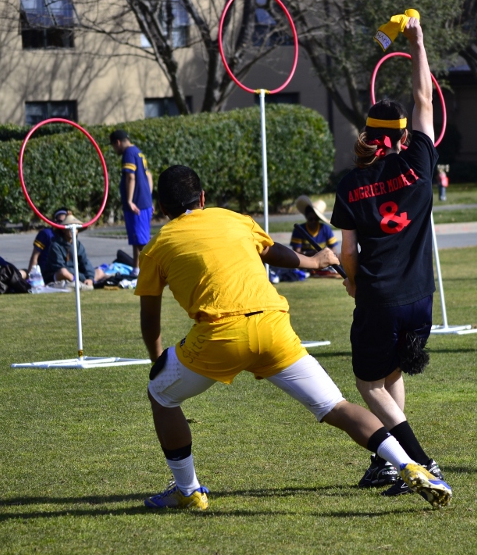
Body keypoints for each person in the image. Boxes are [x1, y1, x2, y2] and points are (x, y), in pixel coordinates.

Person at [134, 165, 451, 510]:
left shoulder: (157, 246)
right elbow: (274, 252)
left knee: (161, 395)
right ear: (203, 198)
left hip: (218, 335)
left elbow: (149, 321)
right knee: (337, 407)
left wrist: (157, 361)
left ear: (161, 207)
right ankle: (407, 464)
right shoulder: (235, 219)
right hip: (273, 326)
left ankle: (188, 490)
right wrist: (314, 262)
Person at [330, 16, 447, 496]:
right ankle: (388, 462)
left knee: (367, 384)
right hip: (421, 299)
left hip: (379, 296)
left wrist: (353, 283)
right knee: (392, 373)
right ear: (401, 136)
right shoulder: (418, 162)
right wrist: (419, 43)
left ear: (368, 133)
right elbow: (424, 99)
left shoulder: (352, 183)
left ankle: (419, 461)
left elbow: (348, 252)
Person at [110, 129, 153, 276]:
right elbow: (149, 176)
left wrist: (129, 200)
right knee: (139, 238)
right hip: (145, 202)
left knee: (140, 240)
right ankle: (137, 269)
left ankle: (150, 270)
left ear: (117, 142)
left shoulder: (128, 153)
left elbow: (130, 177)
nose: (115, 150)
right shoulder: (139, 152)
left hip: (136, 204)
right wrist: (149, 197)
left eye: (113, 147)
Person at [44, 213, 106, 288]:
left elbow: (85, 263)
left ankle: (88, 282)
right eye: (69, 228)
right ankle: (78, 283)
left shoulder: (78, 245)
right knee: (63, 272)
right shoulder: (55, 245)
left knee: (99, 271)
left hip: (78, 274)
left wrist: (90, 278)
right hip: (58, 275)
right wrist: (80, 277)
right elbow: (59, 267)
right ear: (64, 230)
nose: (72, 230)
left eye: (75, 228)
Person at [290, 195, 340, 277]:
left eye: (316, 219)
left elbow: (334, 249)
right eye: (311, 219)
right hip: (305, 262)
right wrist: (311, 254)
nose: (313, 221)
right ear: (306, 217)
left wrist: (325, 253)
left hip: (323, 262)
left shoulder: (325, 228)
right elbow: (296, 252)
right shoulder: (299, 230)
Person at [27, 208, 69, 275]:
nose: (63, 225)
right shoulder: (46, 233)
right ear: (54, 221)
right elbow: (35, 256)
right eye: (60, 222)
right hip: (49, 272)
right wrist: (31, 275)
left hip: (66, 270)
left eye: (66, 223)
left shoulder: (70, 234)